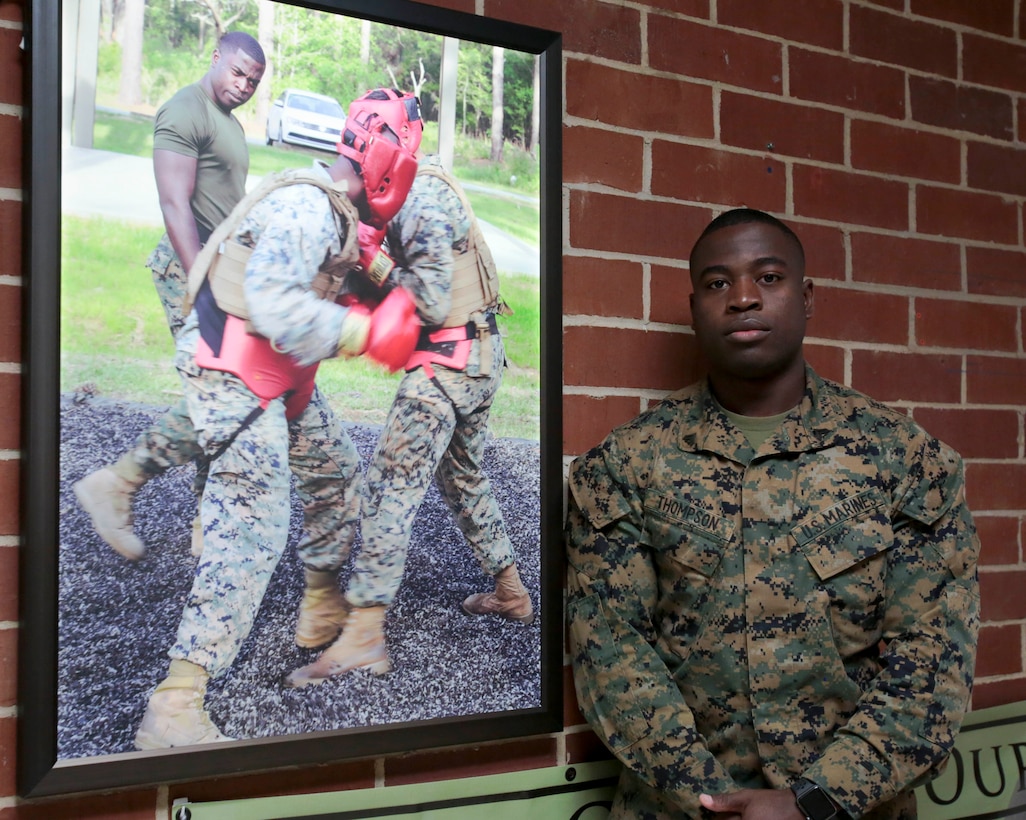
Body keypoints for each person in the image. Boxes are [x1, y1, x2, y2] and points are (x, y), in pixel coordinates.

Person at [564, 208, 980, 820]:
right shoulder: (626, 465)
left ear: (806, 297)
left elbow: (933, 661)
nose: (741, 298)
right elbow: (612, 656)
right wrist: (710, 802)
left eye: (768, 277)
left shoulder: (906, 460)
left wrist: (813, 802)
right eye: (716, 283)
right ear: (695, 306)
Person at [132, 89, 424, 749]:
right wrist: (362, 332)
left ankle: (320, 602)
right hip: (229, 362)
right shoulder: (307, 208)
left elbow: (371, 270)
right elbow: (268, 300)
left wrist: (399, 299)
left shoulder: (339, 211)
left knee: (334, 469)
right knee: (257, 518)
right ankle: (176, 703)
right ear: (388, 159)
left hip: (267, 368)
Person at [285, 152, 533, 687]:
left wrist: (372, 264)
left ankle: (365, 635)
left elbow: (429, 298)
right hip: (481, 357)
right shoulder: (416, 183)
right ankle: (511, 591)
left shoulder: (417, 198)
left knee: (386, 491)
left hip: (446, 364)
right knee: (462, 477)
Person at [74, 31, 266, 560]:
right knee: (221, 391)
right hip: (188, 270)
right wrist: (199, 283)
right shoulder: (185, 110)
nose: (244, 83)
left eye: (253, 79)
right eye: (238, 71)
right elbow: (174, 204)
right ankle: (117, 486)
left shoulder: (227, 121)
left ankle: (204, 523)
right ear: (216, 58)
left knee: (220, 391)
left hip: (219, 271)